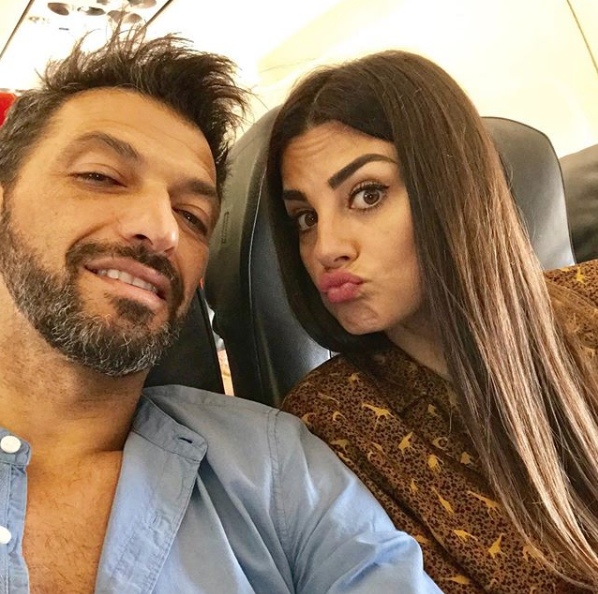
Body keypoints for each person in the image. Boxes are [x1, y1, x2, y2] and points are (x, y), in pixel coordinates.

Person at [0, 32, 443, 593]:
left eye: (192, 215)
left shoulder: (277, 467)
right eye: (101, 177)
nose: (161, 229)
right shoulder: (336, 417)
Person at [267, 50, 598, 593]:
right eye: (305, 217)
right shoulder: (328, 425)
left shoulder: (590, 297)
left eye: (367, 194)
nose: (325, 247)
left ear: (451, 186)